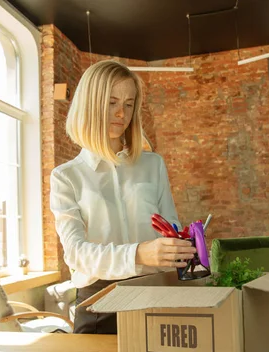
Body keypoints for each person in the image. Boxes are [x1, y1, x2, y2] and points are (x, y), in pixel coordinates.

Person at [50, 60, 196, 334]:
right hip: (99, 305)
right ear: (90, 105)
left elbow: (171, 229)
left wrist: (182, 246)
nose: (122, 113)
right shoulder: (66, 176)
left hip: (156, 296)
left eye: (129, 104)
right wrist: (140, 253)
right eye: (112, 102)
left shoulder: (153, 165)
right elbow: (76, 254)